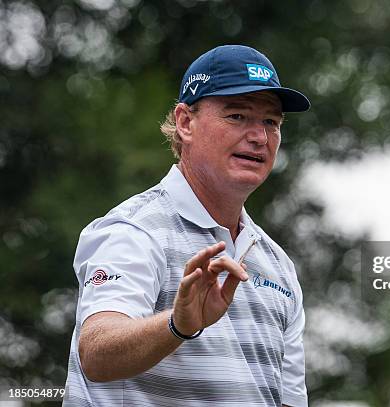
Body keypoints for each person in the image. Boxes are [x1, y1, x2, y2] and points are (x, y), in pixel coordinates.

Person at [63, 45, 310, 407]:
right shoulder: (133, 230)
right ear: (185, 122)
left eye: (271, 122)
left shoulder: (279, 266)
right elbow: (97, 352)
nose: (259, 136)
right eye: (238, 116)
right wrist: (178, 324)